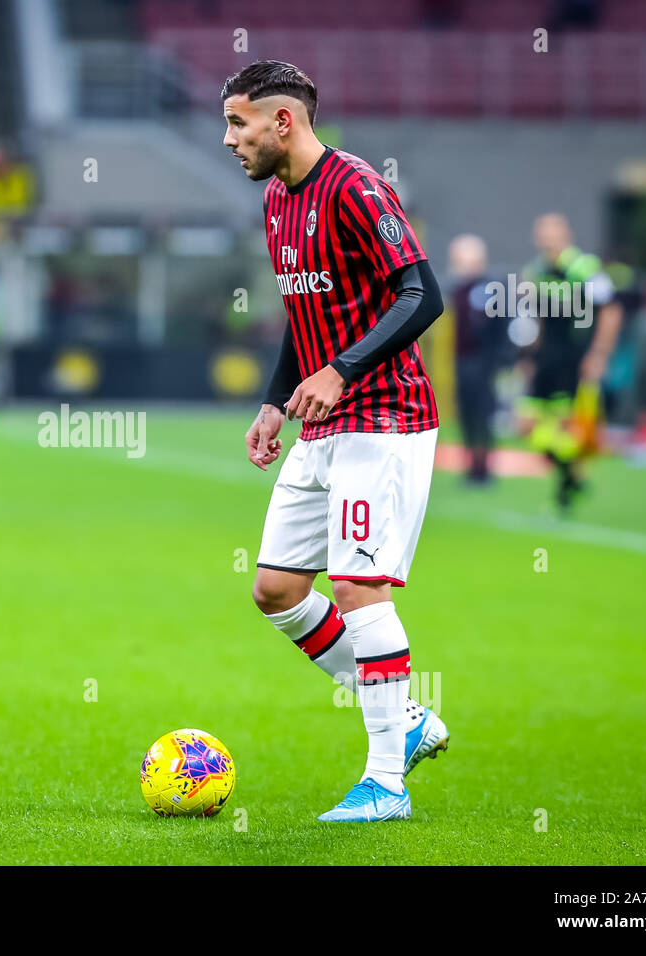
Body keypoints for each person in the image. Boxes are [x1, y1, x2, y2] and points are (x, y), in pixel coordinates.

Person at [223, 60, 449, 823]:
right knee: (278, 591)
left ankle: (387, 783)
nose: (230, 139)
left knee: (358, 590)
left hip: (384, 417)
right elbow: (303, 312)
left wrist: (345, 370)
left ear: (283, 120)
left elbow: (423, 294)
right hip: (320, 422)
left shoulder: (356, 187)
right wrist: (273, 401)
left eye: (237, 122)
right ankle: (406, 716)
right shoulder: (278, 202)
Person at [519, 213, 623, 509]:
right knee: (527, 425)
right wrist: (528, 356)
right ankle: (572, 478)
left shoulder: (583, 268)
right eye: (541, 232)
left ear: (565, 235)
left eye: (551, 232)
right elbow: (536, 318)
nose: (545, 238)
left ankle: (565, 490)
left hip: (574, 359)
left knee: (567, 426)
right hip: (545, 359)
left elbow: (610, 311)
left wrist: (599, 354)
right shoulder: (536, 270)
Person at [447, 234, 508, 484]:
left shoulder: (489, 289)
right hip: (463, 361)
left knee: (482, 413)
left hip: (483, 362)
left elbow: (497, 327)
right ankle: (471, 464)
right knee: (467, 413)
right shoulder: (459, 290)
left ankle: (482, 467)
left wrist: (500, 359)